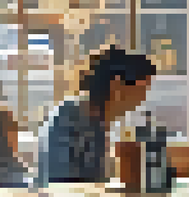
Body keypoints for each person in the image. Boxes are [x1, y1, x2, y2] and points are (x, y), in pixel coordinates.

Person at [34, 46, 157, 188]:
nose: (142, 100)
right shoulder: (70, 119)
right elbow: (64, 187)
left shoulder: (97, 121)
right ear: (117, 86)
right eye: (141, 91)